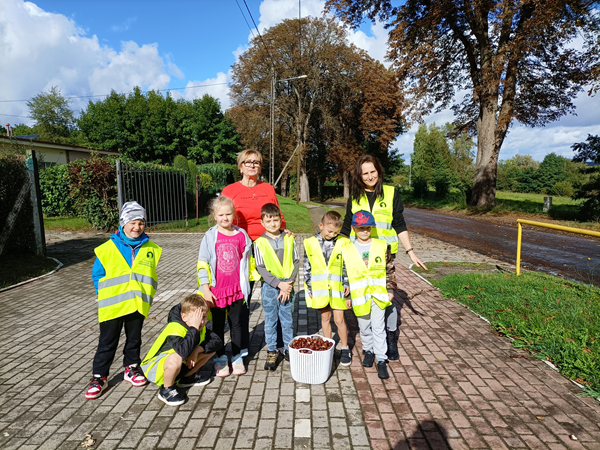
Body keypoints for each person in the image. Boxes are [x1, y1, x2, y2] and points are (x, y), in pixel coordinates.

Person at [340, 155, 428, 360]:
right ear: (359, 176)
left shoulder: (390, 193)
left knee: (385, 299)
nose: (370, 176)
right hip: (359, 255)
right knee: (363, 296)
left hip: (384, 256)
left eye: (373, 171)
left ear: (378, 171)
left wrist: (410, 252)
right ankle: (370, 342)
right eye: (365, 173)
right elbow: (346, 226)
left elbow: (399, 223)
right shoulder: (355, 196)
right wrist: (333, 250)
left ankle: (390, 338)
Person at [87, 201, 162, 400]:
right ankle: (99, 377)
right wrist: (101, 295)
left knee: (134, 339)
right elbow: (98, 275)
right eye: (132, 222)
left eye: (141, 223)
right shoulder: (107, 248)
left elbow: (151, 274)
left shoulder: (151, 248)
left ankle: (132, 368)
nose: (136, 227)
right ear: (123, 223)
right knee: (107, 341)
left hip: (137, 304)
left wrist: (150, 294)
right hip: (112, 305)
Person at [197, 196, 253, 377]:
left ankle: (237, 356)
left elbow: (249, 262)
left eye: (228, 214)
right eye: (221, 214)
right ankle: (220, 358)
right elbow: (203, 263)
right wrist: (205, 288)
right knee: (218, 326)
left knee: (236, 324)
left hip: (236, 290)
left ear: (234, 215)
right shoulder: (210, 236)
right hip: (216, 291)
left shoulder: (241, 235)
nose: (225, 218)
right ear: (214, 216)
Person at [342, 211, 396, 380]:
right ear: (353, 229)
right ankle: (369, 351)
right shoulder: (348, 249)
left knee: (379, 327)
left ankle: (381, 358)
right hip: (359, 296)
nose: (364, 231)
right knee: (364, 326)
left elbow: (389, 269)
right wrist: (347, 295)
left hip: (378, 295)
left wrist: (391, 289)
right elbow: (345, 273)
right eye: (360, 228)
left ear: (372, 228)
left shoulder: (381, 245)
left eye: (367, 228)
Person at [141, 294, 220, 406]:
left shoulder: (200, 327)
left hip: (177, 364)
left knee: (210, 350)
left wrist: (197, 350)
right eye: (196, 318)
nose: (201, 322)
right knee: (176, 357)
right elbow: (183, 351)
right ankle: (166, 389)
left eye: (204, 317)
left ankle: (186, 379)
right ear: (184, 317)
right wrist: (194, 328)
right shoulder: (175, 328)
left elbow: (217, 341)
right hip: (154, 368)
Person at [253, 203, 299, 371]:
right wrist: (279, 284)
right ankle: (272, 350)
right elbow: (261, 268)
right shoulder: (259, 243)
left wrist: (288, 285)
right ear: (262, 223)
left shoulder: (289, 239)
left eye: (276, 219)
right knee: (271, 321)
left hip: (287, 286)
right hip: (271, 288)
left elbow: (295, 262)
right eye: (269, 220)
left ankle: (288, 349)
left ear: (281, 220)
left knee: (287, 321)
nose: (273, 223)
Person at [303, 211, 352, 366]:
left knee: (339, 319)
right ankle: (328, 346)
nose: (332, 235)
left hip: (337, 288)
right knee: (325, 318)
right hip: (319, 288)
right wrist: (309, 285)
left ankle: (345, 348)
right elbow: (307, 266)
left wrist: (347, 284)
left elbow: (346, 266)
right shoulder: (309, 242)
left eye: (336, 232)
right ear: (321, 226)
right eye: (329, 231)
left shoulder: (343, 242)